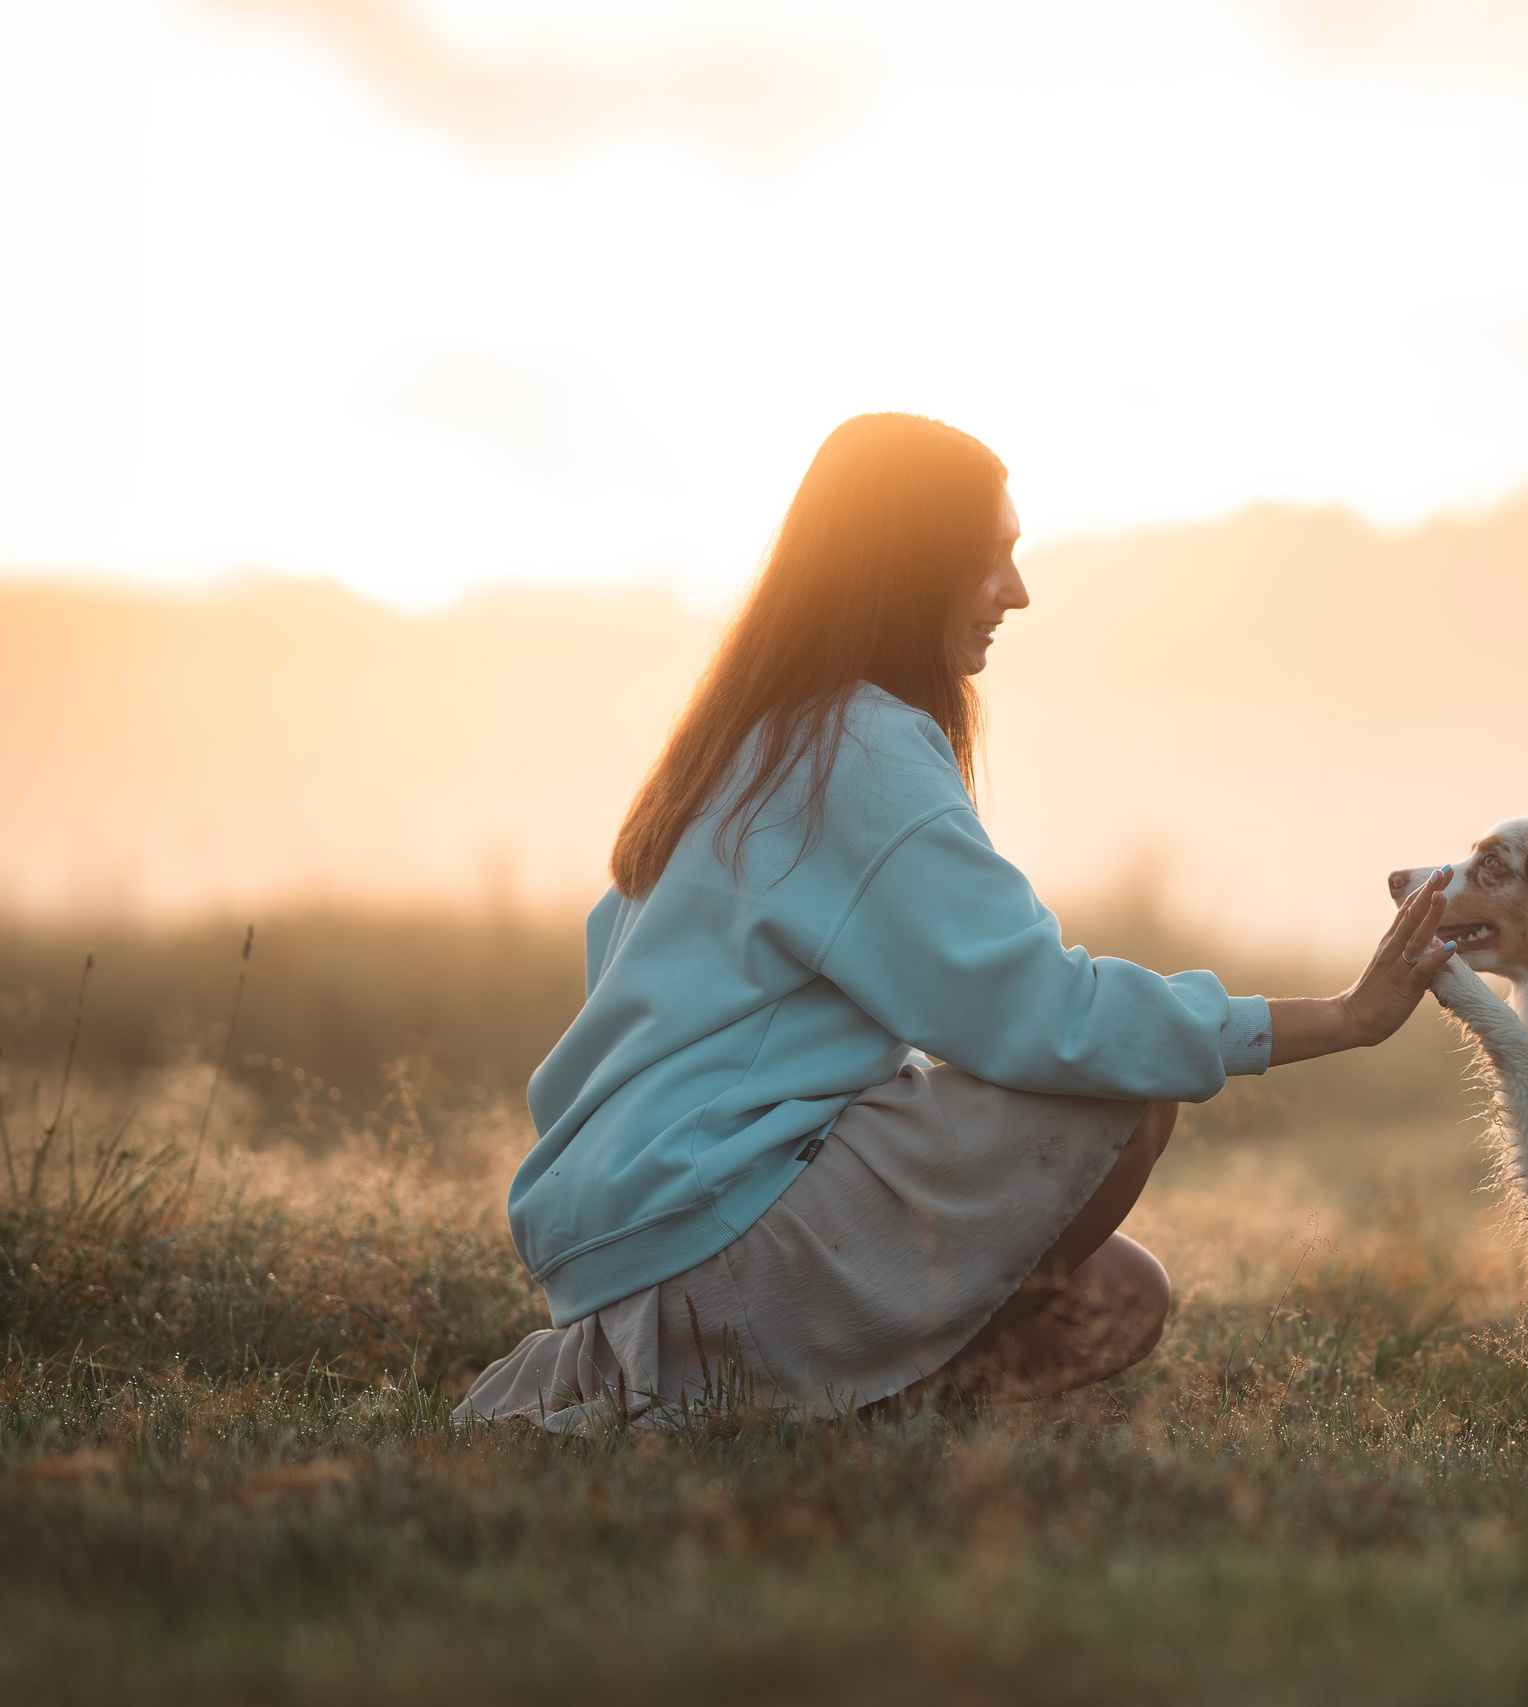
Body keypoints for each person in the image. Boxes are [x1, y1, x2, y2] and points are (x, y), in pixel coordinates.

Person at [455, 413, 1456, 1430]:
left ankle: (835, 1408)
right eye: (991, 560)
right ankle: (830, 1411)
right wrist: (1343, 1019)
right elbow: (1048, 1018)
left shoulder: (740, 744)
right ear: (907, 567)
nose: (1016, 593)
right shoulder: (854, 749)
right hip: (708, 1245)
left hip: (641, 1255)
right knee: (1121, 1093)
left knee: (1118, 1299)